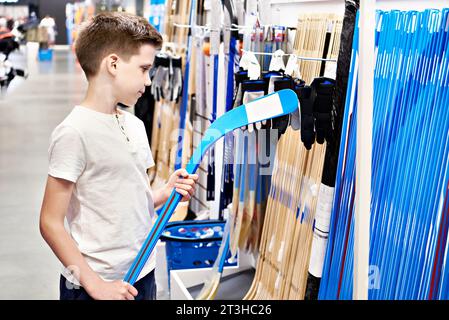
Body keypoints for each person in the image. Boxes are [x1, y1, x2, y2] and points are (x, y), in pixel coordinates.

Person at [39, 12, 198, 300]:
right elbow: (50, 222)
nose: (148, 81)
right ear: (113, 64)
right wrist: (94, 284)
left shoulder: (134, 125)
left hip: (141, 273)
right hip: (94, 285)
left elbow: (125, 200)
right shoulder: (74, 132)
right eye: (143, 69)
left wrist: (165, 192)